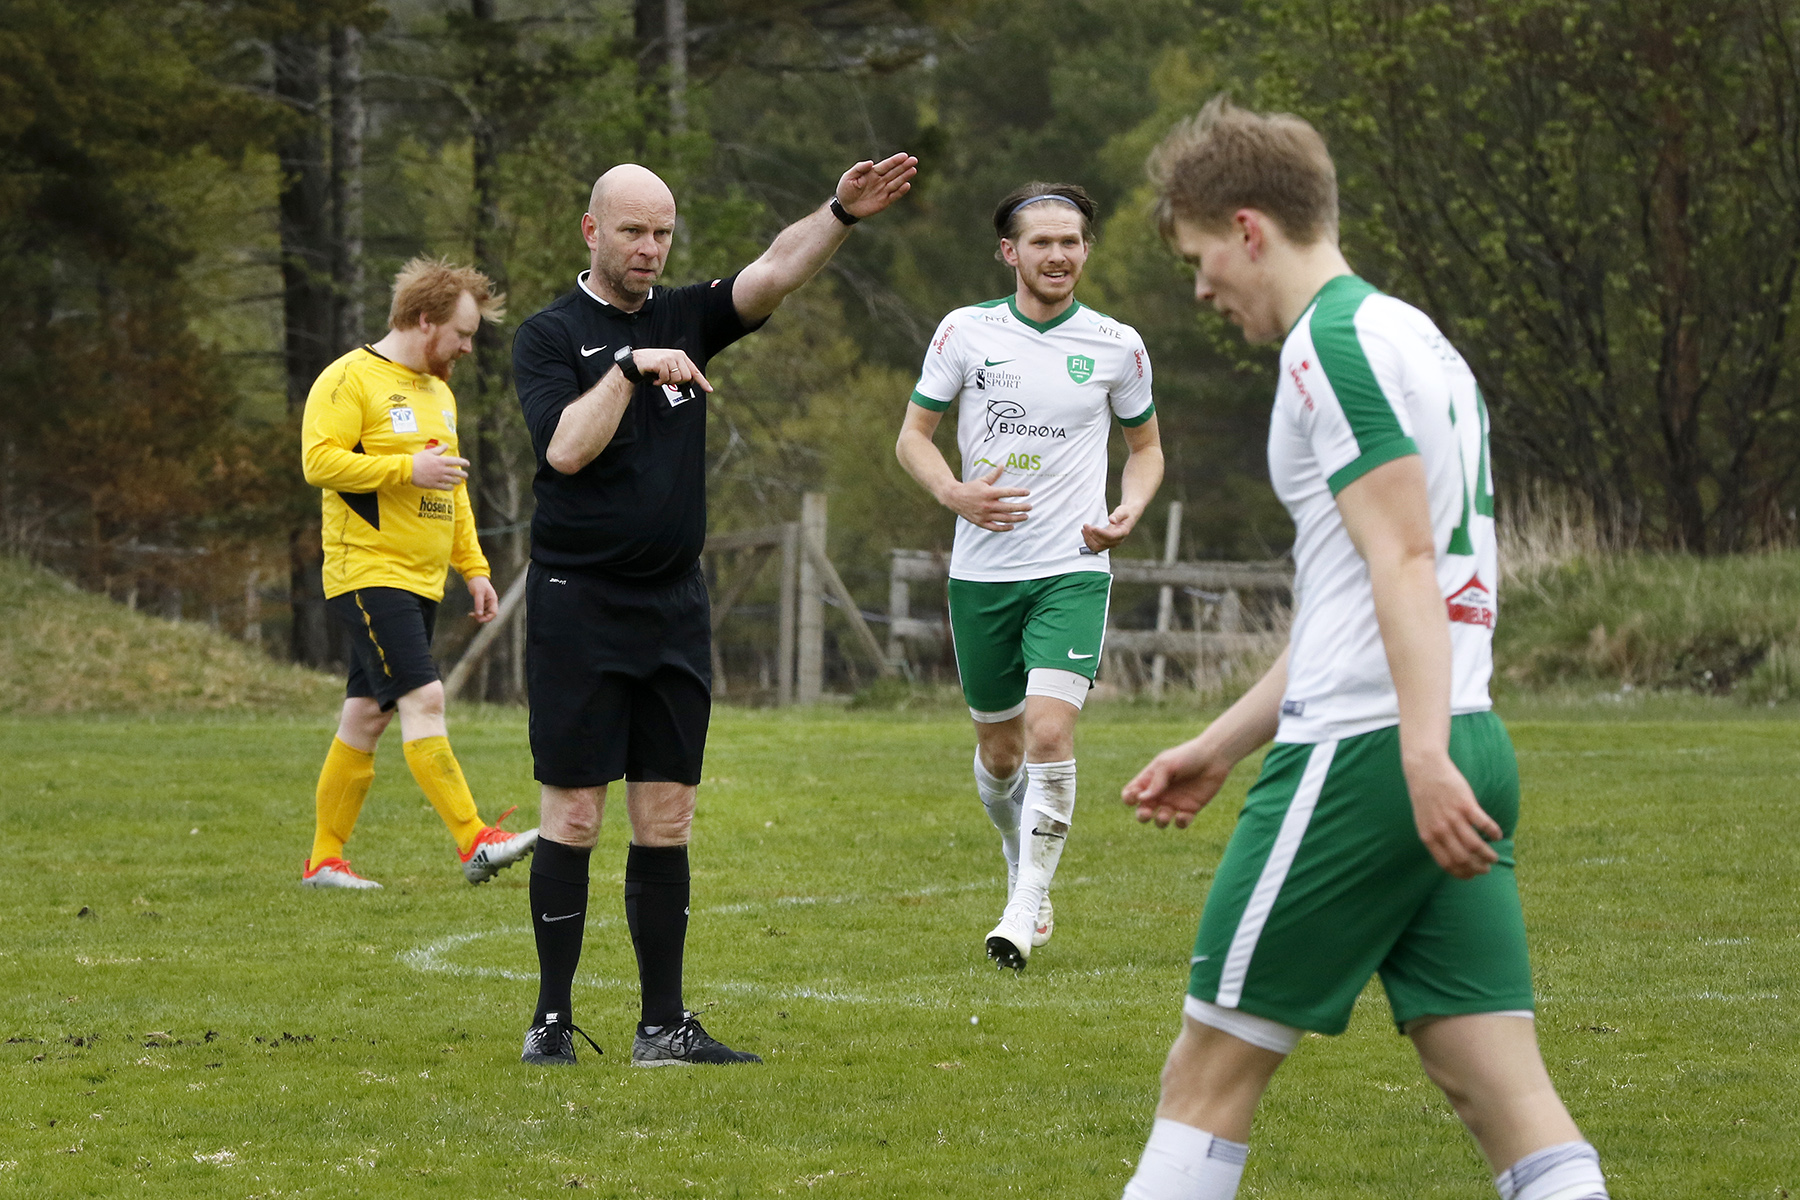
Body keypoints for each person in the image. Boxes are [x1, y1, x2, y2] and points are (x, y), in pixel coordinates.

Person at [1115, 97, 1608, 1200]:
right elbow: (1362, 592)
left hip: (1373, 756)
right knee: (1495, 1082)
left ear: (1249, 229)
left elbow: (1403, 564)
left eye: (1200, 258)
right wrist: (1223, 742)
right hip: (1462, 738)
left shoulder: (1326, 352)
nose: (1200, 290)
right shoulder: (1414, 339)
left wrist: (1414, 756)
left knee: (1205, 1077)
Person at [510, 153, 917, 1067]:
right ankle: (549, 1021)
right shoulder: (548, 337)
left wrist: (839, 214)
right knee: (574, 815)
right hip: (579, 606)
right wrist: (628, 366)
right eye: (633, 232)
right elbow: (566, 450)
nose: (650, 249)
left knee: (668, 816)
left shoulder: (687, 313)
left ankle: (662, 1026)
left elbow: (772, 271)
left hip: (673, 608)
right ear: (592, 231)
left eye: (662, 232)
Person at [896, 182, 1163, 970]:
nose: (1058, 255)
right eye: (1041, 243)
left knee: (1050, 734)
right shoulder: (965, 332)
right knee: (1002, 751)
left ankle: (1021, 909)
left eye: (1071, 241)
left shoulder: (1119, 344)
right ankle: (1021, 862)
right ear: (1009, 252)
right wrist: (952, 491)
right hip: (981, 575)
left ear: (1086, 249)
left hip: (1072, 569)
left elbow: (1146, 448)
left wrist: (1128, 509)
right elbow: (913, 436)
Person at [298, 257, 539, 891]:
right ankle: (474, 840)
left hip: (423, 578)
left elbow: (452, 488)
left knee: (364, 717)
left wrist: (474, 567)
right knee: (424, 699)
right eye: (461, 333)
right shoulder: (348, 379)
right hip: (366, 570)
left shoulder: (439, 393)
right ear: (425, 320)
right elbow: (318, 462)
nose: (466, 346)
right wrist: (406, 470)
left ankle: (325, 861)